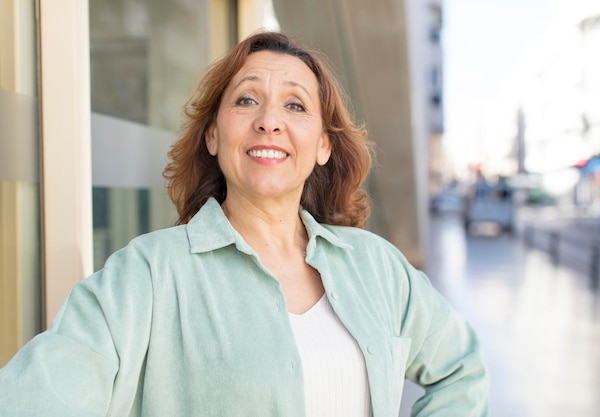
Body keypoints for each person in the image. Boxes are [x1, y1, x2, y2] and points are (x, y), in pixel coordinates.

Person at [0, 31, 489, 416]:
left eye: (296, 105)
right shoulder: (146, 275)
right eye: (246, 100)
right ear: (213, 135)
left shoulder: (377, 265)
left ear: (323, 145)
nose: (269, 121)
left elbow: (460, 369)